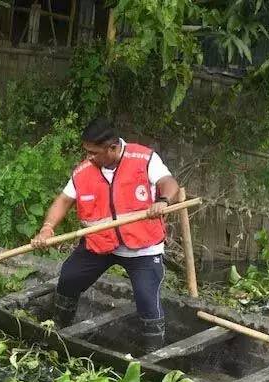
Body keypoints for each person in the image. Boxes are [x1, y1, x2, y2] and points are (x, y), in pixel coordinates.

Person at [31, 118, 180, 352]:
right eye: (86, 152)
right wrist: (47, 228)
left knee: (147, 300)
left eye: (94, 153)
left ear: (112, 148)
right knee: (69, 277)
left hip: (142, 248)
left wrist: (162, 201)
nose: (89, 157)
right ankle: (58, 329)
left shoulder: (144, 158)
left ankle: (153, 355)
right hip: (100, 244)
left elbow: (169, 183)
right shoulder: (83, 171)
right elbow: (63, 200)